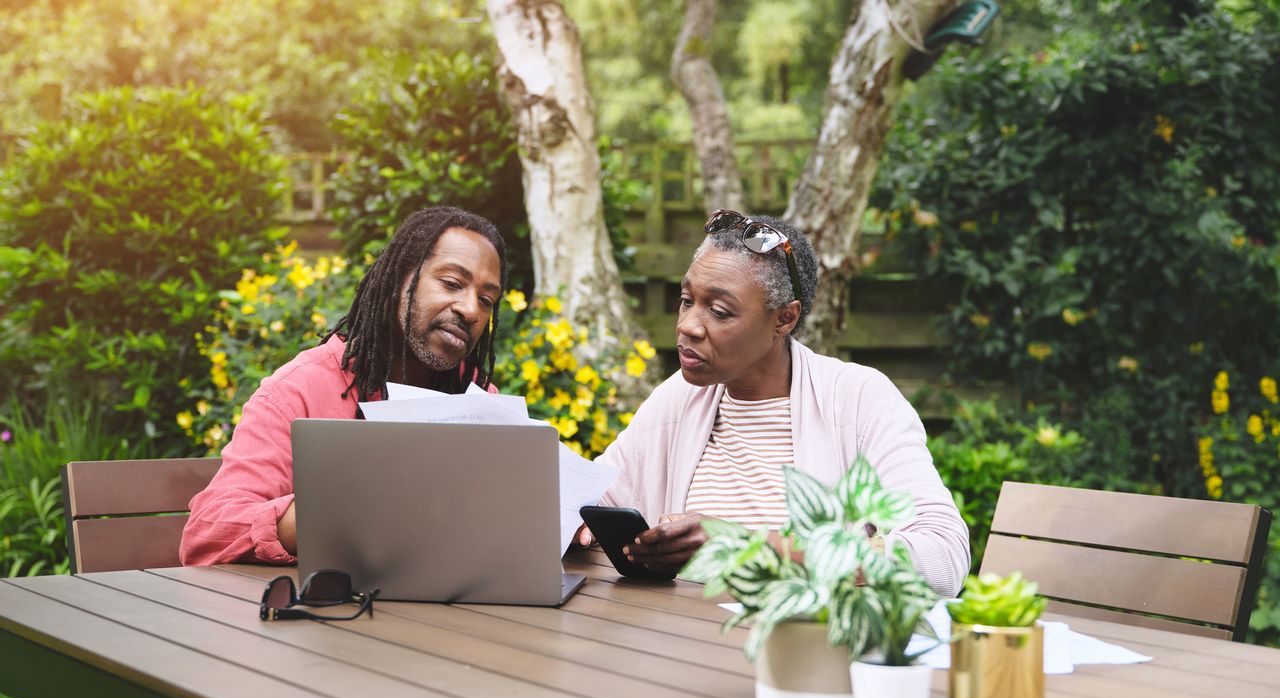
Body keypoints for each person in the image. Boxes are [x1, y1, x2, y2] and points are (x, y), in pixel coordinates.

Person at [584, 210, 969, 596]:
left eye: (719, 311)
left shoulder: (858, 400)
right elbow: (595, 499)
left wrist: (743, 545)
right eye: (686, 300)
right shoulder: (678, 398)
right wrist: (574, 526)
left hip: (805, 645)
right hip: (676, 642)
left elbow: (943, 556)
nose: (687, 325)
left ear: (784, 319)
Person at [180, 206, 507, 566]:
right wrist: (334, 513)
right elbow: (207, 535)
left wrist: (561, 523)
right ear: (399, 279)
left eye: (486, 300)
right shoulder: (297, 391)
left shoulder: (476, 398)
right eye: (451, 284)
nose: (471, 310)